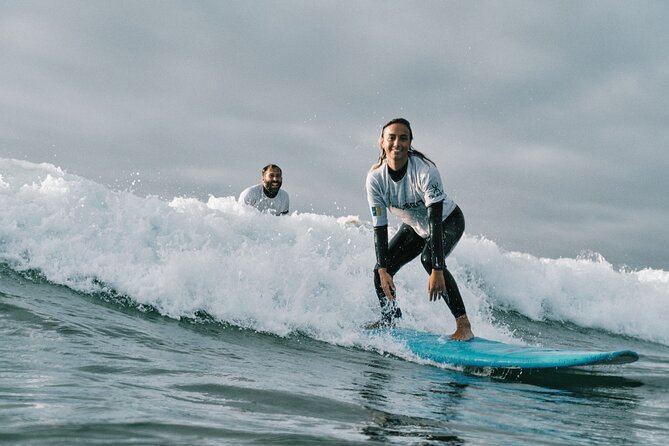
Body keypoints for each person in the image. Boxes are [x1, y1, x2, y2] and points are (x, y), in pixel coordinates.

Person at [365, 118, 474, 341]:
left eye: (403, 138)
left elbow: (434, 219)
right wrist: (383, 268)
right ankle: (390, 319)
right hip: (415, 227)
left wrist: (438, 269)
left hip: (447, 220)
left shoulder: (425, 171)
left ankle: (464, 325)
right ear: (382, 142)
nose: (397, 143)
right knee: (381, 270)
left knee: (429, 259)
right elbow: (380, 227)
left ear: (410, 142)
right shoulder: (375, 178)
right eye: (391, 138)